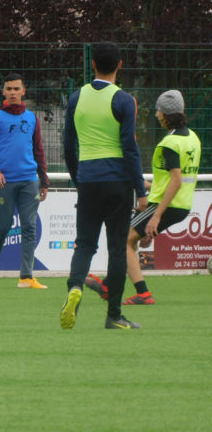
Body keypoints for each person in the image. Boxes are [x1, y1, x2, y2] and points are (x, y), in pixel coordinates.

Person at [60, 41, 148, 330]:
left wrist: (78, 179)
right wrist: (140, 190)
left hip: (88, 179)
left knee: (85, 244)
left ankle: (76, 286)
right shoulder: (124, 100)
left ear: (93, 64)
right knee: (117, 248)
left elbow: (68, 145)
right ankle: (114, 316)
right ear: (120, 65)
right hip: (118, 182)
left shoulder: (77, 97)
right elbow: (130, 148)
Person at [85, 89, 201, 305]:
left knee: (123, 240)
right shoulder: (192, 138)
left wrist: (156, 216)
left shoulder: (170, 144)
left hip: (166, 204)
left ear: (167, 114)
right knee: (129, 240)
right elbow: (172, 180)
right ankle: (114, 285)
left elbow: (176, 181)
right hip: (180, 204)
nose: (156, 114)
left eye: (159, 111)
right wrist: (144, 185)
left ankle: (132, 291)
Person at [0, 73, 50, 290]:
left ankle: (26, 277)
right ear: (3, 92)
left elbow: (38, 150)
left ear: (23, 92)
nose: (12, 93)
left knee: (29, 227)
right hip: (4, 182)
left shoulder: (32, 118)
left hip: (30, 181)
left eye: (16, 89)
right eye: (8, 89)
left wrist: (43, 180)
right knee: (3, 227)